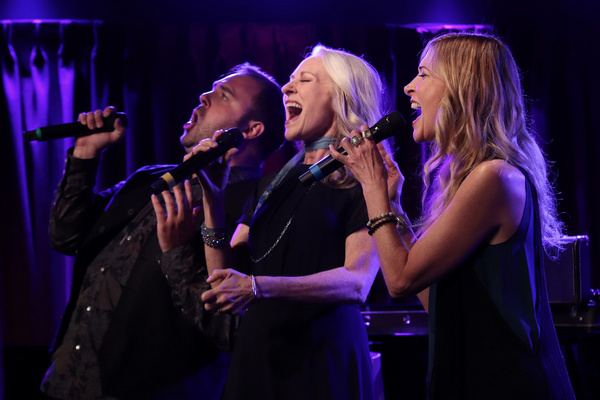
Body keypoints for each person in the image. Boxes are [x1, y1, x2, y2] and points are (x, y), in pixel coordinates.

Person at [331, 32, 576, 399]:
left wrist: (372, 188)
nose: (410, 87)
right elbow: (433, 297)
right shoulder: (475, 178)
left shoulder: (493, 177)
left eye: (424, 74)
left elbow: (397, 281)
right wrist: (394, 205)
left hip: (506, 384)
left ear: (463, 88)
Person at [157, 44, 391, 400]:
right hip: (260, 353)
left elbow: (357, 281)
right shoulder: (271, 183)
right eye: (290, 80)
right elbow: (224, 278)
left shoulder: (366, 178)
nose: (286, 88)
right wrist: (213, 200)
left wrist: (257, 287)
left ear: (342, 96)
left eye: (305, 79)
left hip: (321, 356)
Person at [40, 63, 285, 399]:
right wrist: (85, 155)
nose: (204, 96)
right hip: (67, 380)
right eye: (211, 88)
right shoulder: (149, 178)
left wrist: (179, 250)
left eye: (223, 94)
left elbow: (228, 326)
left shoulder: (259, 204)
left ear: (252, 129)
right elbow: (66, 236)